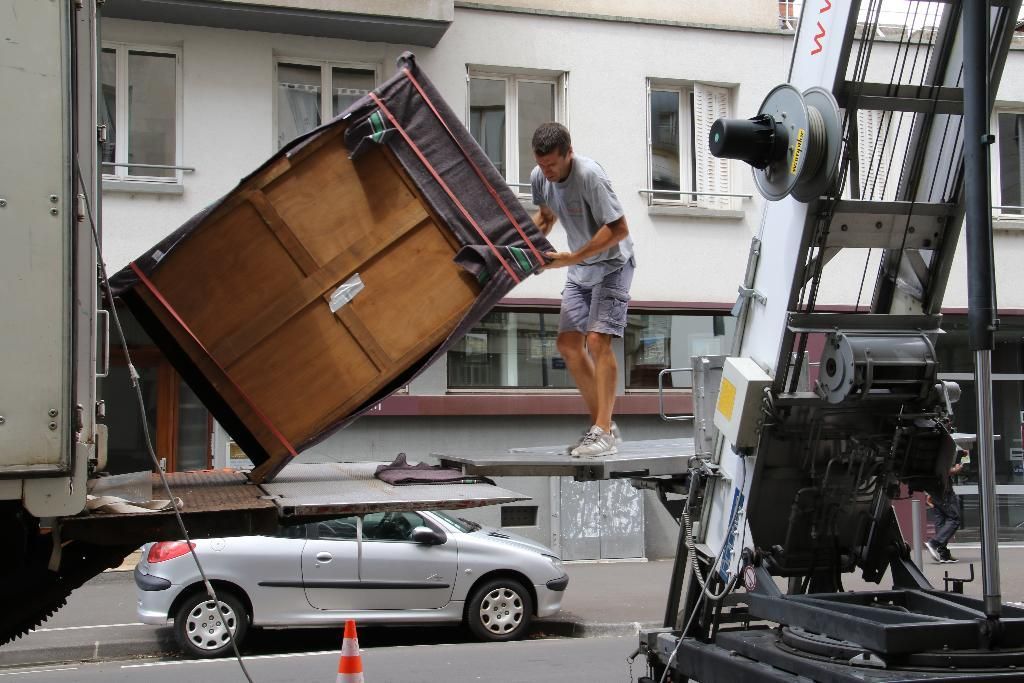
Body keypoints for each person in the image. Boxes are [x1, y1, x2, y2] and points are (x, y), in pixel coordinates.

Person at [530, 122, 634, 458]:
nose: (546, 171)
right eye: (541, 164)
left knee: (596, 340)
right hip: (579, 269)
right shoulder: (539, 177)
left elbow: (618, 229)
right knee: (568, 344)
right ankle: (603, 426)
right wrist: (522, 247)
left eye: (552, 165)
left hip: (613, 266)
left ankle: (602, 430)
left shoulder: (589, 175)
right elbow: (546, 218)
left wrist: (572, 257)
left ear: (568, 154)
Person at [926, 445, 966, 563]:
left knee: (942, 522)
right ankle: (934, 543)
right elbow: (940, 470)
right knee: (954, 519)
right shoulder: (937, 447)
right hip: (943, 492)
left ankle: (943, 554)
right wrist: (955, 470)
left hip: (935, 491)